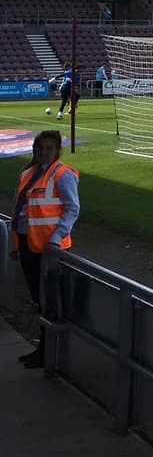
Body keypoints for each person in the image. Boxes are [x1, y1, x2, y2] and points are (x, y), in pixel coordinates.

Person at [9, 130, 80, 369]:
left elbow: (72, 209)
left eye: (48, 148)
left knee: (49, 303)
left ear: (57, 150)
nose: (43, 152)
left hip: (49, 250)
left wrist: (56, 239)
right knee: (39, 301)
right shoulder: (28, 172)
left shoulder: (62, 174)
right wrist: (15, 243)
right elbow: (20, 211)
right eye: (40, 148)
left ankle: (50, 353)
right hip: (30, 246)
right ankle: (43, 349)